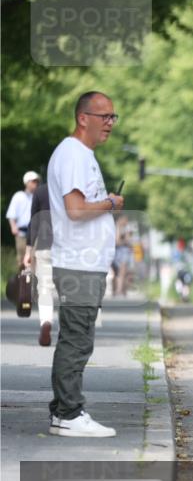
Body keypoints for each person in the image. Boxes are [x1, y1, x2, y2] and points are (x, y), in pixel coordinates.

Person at [46, 91, 123, 438]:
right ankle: (69, 414)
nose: (110, 123)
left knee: (78, 339)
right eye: (104, 116)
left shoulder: (82, 155)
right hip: (78, 262)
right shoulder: (73, 153)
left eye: (112, 117)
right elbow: (76, 210)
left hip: (85, 262)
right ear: (82, 118)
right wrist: (110, 203)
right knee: (76, 340)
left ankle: (64, 412)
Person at [23, 179, 55, 346]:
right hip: (70, 247)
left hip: (45, 244)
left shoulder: (41, 191)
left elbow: (33, 222)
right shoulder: (74, 190)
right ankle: (71, 330)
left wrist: (28, 251)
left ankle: (46, 321)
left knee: (45, 288)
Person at [7, 171, 39, 264]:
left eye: (37, 182)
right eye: (33, 181)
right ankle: (21, 273)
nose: (36, 184)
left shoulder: (37, 196)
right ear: (27, 182)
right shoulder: (18, 196)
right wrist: (13, 226)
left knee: (33, 258)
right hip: (21, 233)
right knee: (21, 259)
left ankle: (32, 273)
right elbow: (11, 214)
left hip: (34, 233)